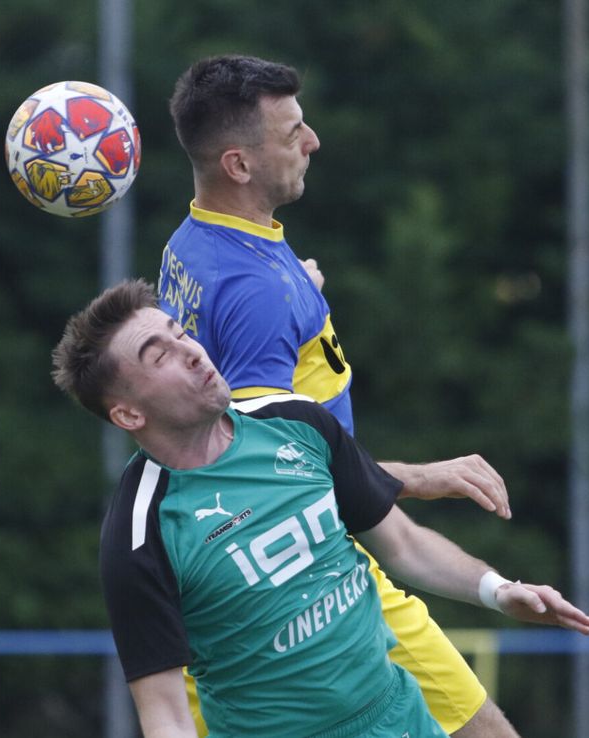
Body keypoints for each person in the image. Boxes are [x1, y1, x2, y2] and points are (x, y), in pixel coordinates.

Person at [51, 280, 589, 738]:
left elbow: (402, 543)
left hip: (400, 718)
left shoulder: (295, 420)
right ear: (127, 415)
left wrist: (498, 591)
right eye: (161, 355)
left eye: (180, 333)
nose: (193, 350)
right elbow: (165, 711)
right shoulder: (138, 534)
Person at [158, 54, 520, 736]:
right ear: (238, 164)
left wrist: (302, 297)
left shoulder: (197, 243)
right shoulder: (254, 291)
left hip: (295, 570)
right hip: (300, 589)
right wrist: (416, 477)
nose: (313, 140)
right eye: (292, 131)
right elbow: (269, 484)